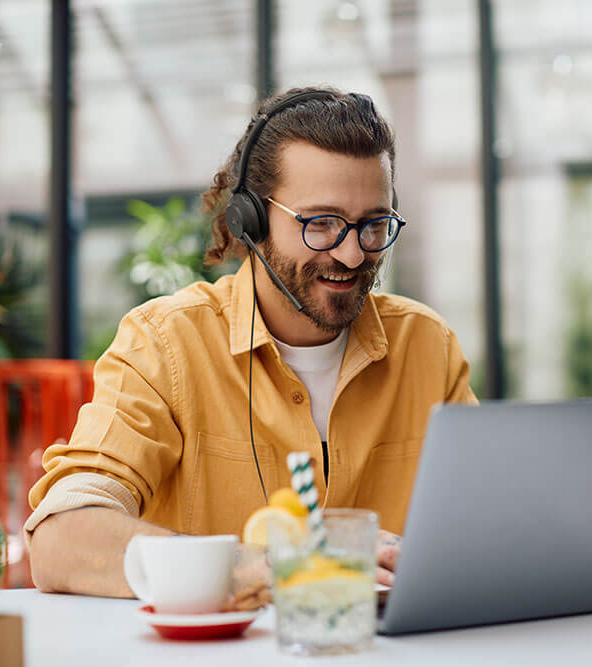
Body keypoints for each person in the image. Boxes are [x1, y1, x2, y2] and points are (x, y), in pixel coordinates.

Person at [26, 87, 476, 604]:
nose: (353, 254)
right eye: (321, 224)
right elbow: (62, 539)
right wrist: (270, 567)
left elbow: (491, 524)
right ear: (250, 220)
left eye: (373, 225)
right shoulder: (166, 344)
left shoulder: (428, 346)